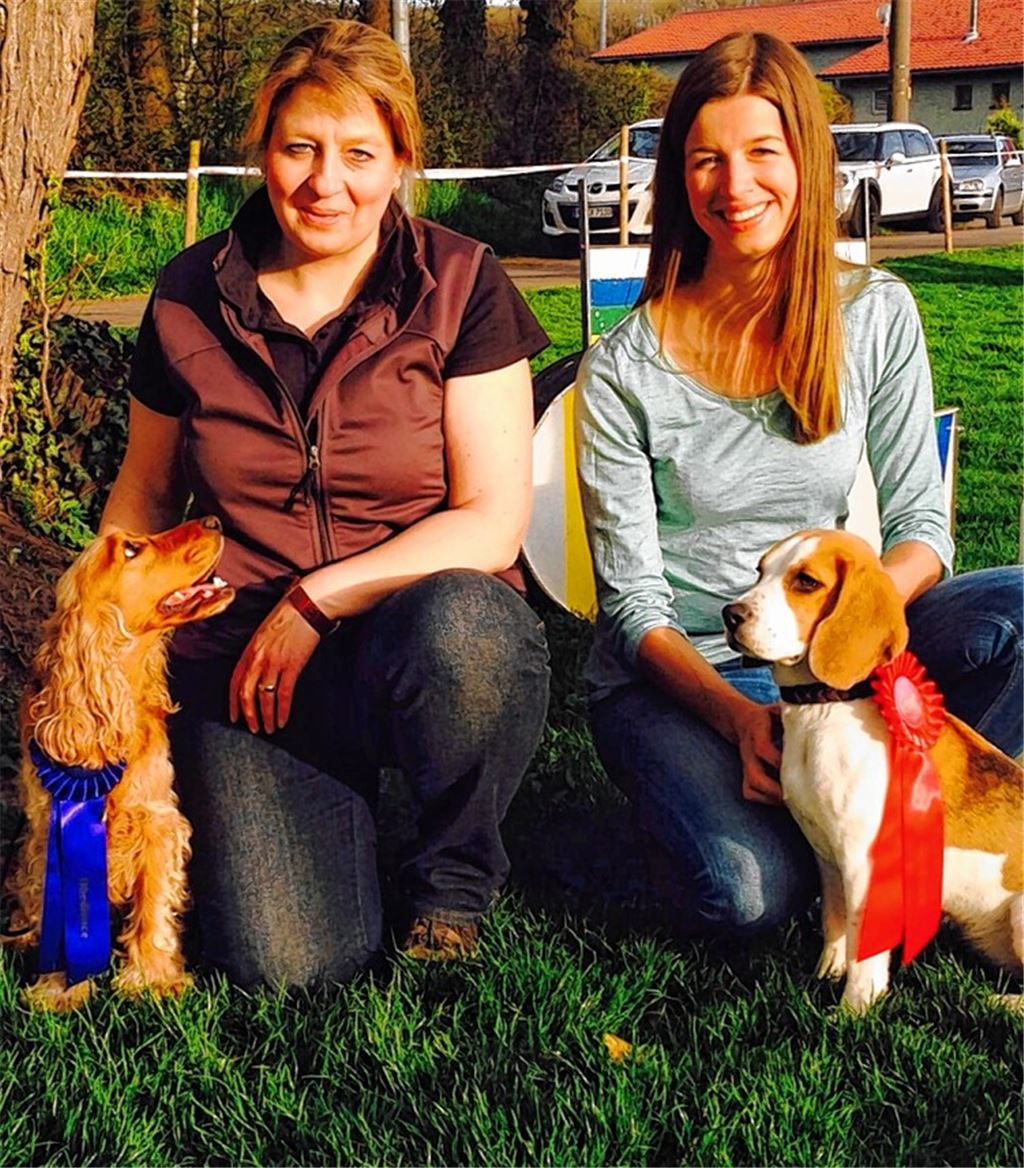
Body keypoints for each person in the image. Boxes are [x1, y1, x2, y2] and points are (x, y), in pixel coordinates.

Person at [100, 19, 551, 988]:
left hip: (415, 624)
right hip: (243, 661)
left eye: (358, 153)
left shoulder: (463, 282)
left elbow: (491, 518)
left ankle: (451, 877)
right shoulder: (187, 294)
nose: (324, 182)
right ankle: (322, 810)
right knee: (291, 963)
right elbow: (142, 492)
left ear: (400, 160)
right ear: (263, 150)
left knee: (468, 629)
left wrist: (320, 597)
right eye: (298, 147)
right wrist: (107, 633)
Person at [574, 31, 1023, 936]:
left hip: (840, 636)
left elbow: (923, 529)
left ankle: (956, 842)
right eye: (705, 160)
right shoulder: (622, 369)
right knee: (752, 897)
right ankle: (689, 817)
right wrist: (746, 717)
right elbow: (632, 610)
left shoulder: (876, 313)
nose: (734, 187)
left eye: (760, 153)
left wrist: (844, 638)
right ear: (678, 179)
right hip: (690, 670)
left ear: (806, 162)